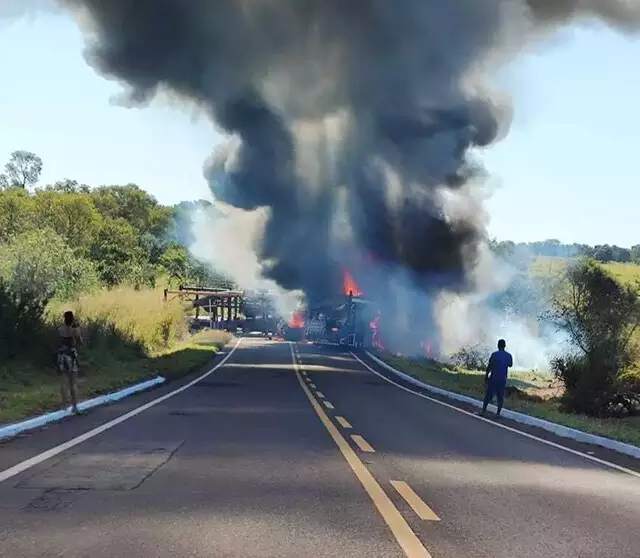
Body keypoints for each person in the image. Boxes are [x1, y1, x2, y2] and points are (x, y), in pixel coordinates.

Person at [57, 310, 83, 414]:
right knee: (73, 383)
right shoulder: (75, 330)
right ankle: (74, 406)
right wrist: (77, 327)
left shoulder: (60, 329)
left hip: (61, 355)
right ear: (72, 319)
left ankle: (63, 405)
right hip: (71, 355)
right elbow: (80, 342)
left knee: (63, 382)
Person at [482, 338, 513, 417]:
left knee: (488, 395)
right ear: (505, 346)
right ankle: (498, 413)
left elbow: (489, 366)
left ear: (498, 346)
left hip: (494, 377)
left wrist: (486, 376)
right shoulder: (509, 356)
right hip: (502, 378)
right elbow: (510, 364)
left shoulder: (494, 354)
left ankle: (483, 410)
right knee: (500, 396)